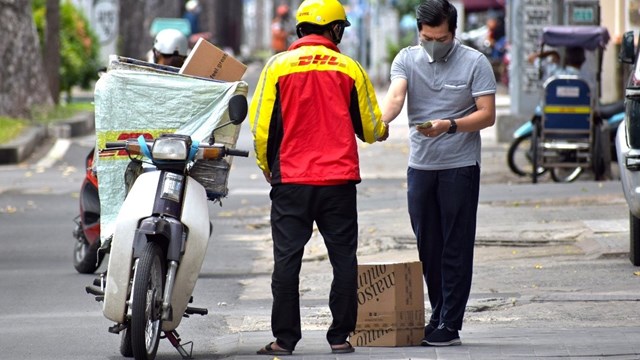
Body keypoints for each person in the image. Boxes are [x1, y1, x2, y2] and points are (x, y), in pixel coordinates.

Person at [249, 0, 388, 355]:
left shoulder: (277, 66)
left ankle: (285, 340)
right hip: (338, 183)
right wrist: (382, 130)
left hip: (291, 182)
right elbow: (371, 128)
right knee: (343, 260)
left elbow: (262, 127)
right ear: (334, 29)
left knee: (286, 262)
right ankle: (340, 338)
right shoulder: (349, 67)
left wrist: (268, 166)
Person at [380, 0, 496, 347]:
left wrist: (451, 126)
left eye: (441, 38)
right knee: (428, 245)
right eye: (427, 37)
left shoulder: (475, 62)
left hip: (459, 166)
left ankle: (451, 322)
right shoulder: (406, 58)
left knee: (455, 246)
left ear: (454, 33)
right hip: (421, 167)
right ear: (419, 32)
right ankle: (438, 313)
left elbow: (487, 115)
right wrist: (380, 122)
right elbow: (397, 97)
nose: (433, 43)